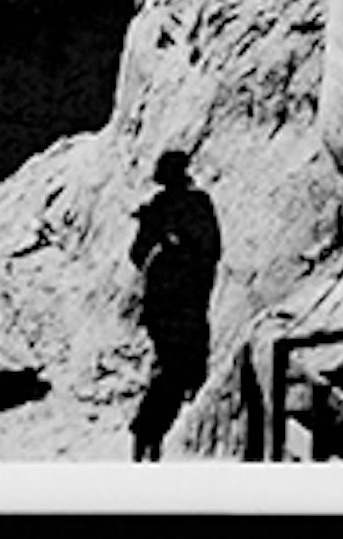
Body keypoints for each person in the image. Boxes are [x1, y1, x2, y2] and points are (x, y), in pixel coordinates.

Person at [127, 150, 221, 463]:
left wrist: (170, 247)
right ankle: (148, 434)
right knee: (178, 371)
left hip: (176, 303)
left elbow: (138, 254)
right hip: (178, 304)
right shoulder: (189, 206)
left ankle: (150, 435)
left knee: (180, 371)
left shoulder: (171, 207)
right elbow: (210, 250)